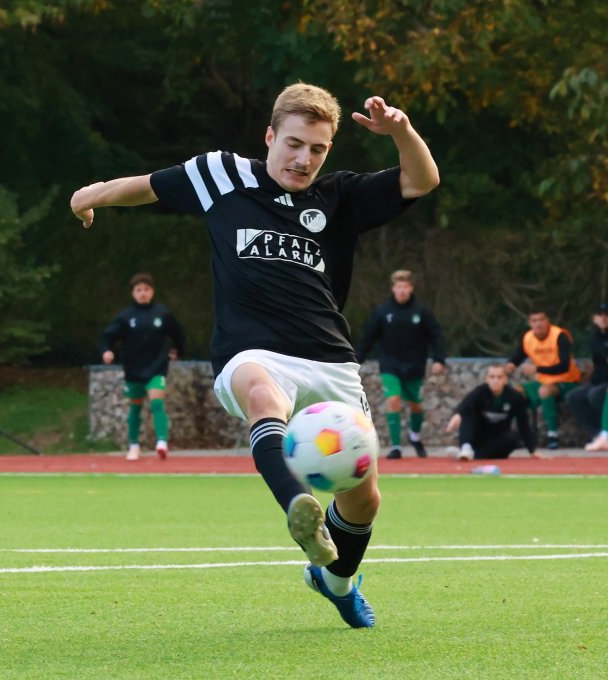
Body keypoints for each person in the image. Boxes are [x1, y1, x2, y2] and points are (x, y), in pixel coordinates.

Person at [70, 83, 440, 628]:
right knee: (264, 397)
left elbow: (421, 180)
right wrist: (90, 194)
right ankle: (297, 506)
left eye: (317, 149)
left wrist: (402, 131)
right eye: (293, 144)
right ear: (270, 136)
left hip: (331, 357)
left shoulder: (338, 196)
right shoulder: (221, 175)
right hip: (252, 349)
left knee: (365, 500)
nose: (303, 159)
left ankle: (334, 581)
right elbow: (146, 187)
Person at [356, 269, 446, 459]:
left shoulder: (421, 312)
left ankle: (415, 436)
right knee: (393, 400)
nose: (402, 290)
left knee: (416, 406)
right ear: (393, 289)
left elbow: (437, 336)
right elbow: (368, 337)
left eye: (405, 287)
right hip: (390, 365)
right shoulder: (383, 311)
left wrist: (439, 359)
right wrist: (356, 360)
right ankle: (396, 446)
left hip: (415, 366)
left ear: (411, 288)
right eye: (398, 287)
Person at [99, 272, 187, 460]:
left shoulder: (162, 314)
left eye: (146, 289)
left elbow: (178, 334)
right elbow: (108, 336)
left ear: (152, 291)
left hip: (157, 366)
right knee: (135, 406)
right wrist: (107, 350)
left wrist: (177, 350)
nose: (143, 293)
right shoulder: (125, 317)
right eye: (139, 290)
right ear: (133, 293)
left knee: (157, 401)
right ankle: (133, 445)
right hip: (133, 367)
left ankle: (162, 442)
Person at [506, 311, 582, 450]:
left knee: (545, 391)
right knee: (516, 392)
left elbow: (564, 366)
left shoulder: (560, 336)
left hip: (567, 381)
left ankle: (552, 435)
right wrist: (510, 365)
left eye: (541, 320)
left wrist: (537, 370)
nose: (538, 324)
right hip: (544, 381)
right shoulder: (528, 338)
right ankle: (521, 434)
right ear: (530, 323)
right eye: (534, 321)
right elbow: (518, 356)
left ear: (548, 321)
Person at [444, 364, 541, 460]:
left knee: (513, 438)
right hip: (478, 436)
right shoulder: (480, 392)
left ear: (505, 380)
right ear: (487, 379)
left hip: (497, 439)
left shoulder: (515, 397)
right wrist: (458, 414)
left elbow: (523, 424)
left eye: (499, 377)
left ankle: (473, 455)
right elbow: (466, 404)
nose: (496, 381)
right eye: (492, 377)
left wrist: (532, 450)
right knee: (468, 411)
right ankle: (466, 448)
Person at [565, 302, 608, 451]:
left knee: (595, 395)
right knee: (573, 397)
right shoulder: (595, 338)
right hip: (599, 380)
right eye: (600, 315)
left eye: (606, 315)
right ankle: (597, 435)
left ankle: (605, 433)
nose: (603, 318)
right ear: (594, 318)